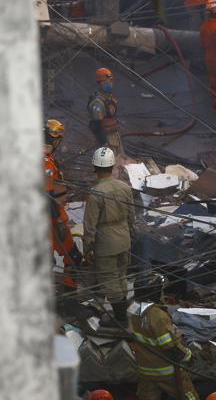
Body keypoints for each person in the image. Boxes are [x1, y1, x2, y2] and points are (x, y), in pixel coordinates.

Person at [83, 147, 135, 327]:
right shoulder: (125, 187)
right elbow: (131, 216)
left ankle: (120, 320)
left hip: (106, 244)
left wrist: (87, 248)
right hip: (124, 239)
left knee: (109, 279)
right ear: (112, 165)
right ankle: (122, 313)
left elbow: (90, 226)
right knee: (121, 276)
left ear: (95, 167)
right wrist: (129, 235)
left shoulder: (95, 192)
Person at [129, 279, 199, 400]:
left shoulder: (134, 312)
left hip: (146, 372)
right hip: (168, 373)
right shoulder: (157, 316)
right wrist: (188, 357)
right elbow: (170, 346)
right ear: (156, 293)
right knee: (189, 397)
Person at [43, 119, 82, 291]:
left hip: (53, 217)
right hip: (53, 219)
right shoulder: (44, 162)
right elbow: (47, 197)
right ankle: (69, 294)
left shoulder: (46, 158)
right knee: (72, 257)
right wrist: (58, 220)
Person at [88, 67, 125, 157]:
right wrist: (103, 144)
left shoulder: (108, 97)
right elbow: (96, 125)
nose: (109, 83)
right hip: (107, 141)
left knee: (121, 162)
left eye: (110, 81)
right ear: (100, 83)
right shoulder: (97, 102)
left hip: (114, 138)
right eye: (106, 81)